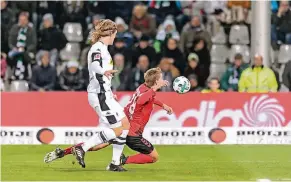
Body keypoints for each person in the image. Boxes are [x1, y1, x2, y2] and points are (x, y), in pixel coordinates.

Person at [44, 67, 173, 166]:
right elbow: (141, 100)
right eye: (160, 79)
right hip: (133, 133)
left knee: (96, 145)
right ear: (156, 82)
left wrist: (163, 105)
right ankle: (124, 160)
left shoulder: (142, 87)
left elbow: (147, 99)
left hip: (123, 126)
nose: (162, 81)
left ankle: (62, 152)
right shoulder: (150, 92)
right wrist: (155, 88)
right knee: (154, 157)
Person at [66, 19, 130, 171]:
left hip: (105, 93)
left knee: (125, 125)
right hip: (100, 95)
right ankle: (83, 148)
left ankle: (115, 163)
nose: (115, 37)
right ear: (110, 33)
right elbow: (95, 65)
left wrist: (109, 89)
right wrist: (104, 71)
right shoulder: (98, 48)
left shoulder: (103, 48)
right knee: (118, 130)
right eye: (114, 34)